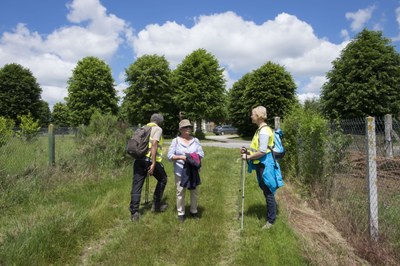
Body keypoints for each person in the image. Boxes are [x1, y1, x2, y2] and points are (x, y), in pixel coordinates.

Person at [241, 106, 283, 229]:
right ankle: (271, 215)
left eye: (253, 114)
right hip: (261, 164)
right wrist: (247, 152)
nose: (251, 116)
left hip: (265, 165)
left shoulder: (264, 131)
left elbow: (262, 152)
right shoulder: (260, 129)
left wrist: (248, 157)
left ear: (259, 115)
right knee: (266, 191)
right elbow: (257, 149)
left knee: (268, 191)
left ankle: (271, 221)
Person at [130, 113, 168, 221]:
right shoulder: (157, 129)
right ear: (160, 121)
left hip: (139, 160)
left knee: (137, 185)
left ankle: (134, 212)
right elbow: (155, 144)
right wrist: (154, 163)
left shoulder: (143, 128)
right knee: (163, 179)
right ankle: (156, 205)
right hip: (150, 160)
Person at [168, 119, 204, 222]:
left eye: (189, 127)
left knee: (194, 191)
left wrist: (192, 157)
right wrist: (182, 157)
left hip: (193, 170)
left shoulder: (195, 140)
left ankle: (194, 211)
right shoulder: (175, 141)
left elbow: (201, 153)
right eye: (186, 127)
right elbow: (170, 156)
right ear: (181, 129)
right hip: (180, 171)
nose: (188, 129)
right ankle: (181, 213)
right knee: (180, 192)